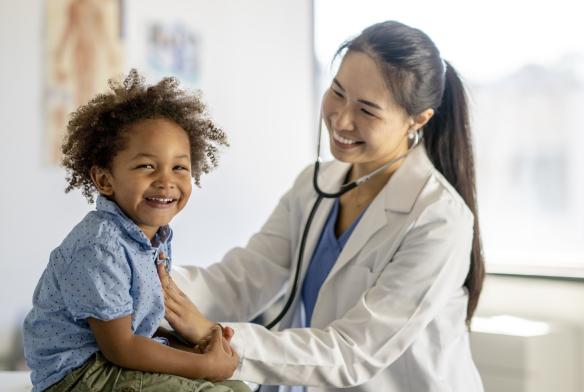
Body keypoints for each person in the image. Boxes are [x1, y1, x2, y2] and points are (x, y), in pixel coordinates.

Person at [157, 21, 485, 392]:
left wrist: (215, 337)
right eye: (337, 92)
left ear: (417, 119)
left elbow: (353, 352)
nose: (341, 119)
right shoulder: (315, 186)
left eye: (367, 110)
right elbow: (242, 278)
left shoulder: (438, 219)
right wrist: (146, 280)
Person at [23, 70, 251, 392]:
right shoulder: (100, 245)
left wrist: (194, 350)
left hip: (112, 359)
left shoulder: (153, 238)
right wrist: (203, 365)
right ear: (105, 180)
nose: (166, 180)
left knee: (238, 387)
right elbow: (122, 347)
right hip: (79, 375)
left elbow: (141, 332)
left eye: (179, 167)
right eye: (147, 165)